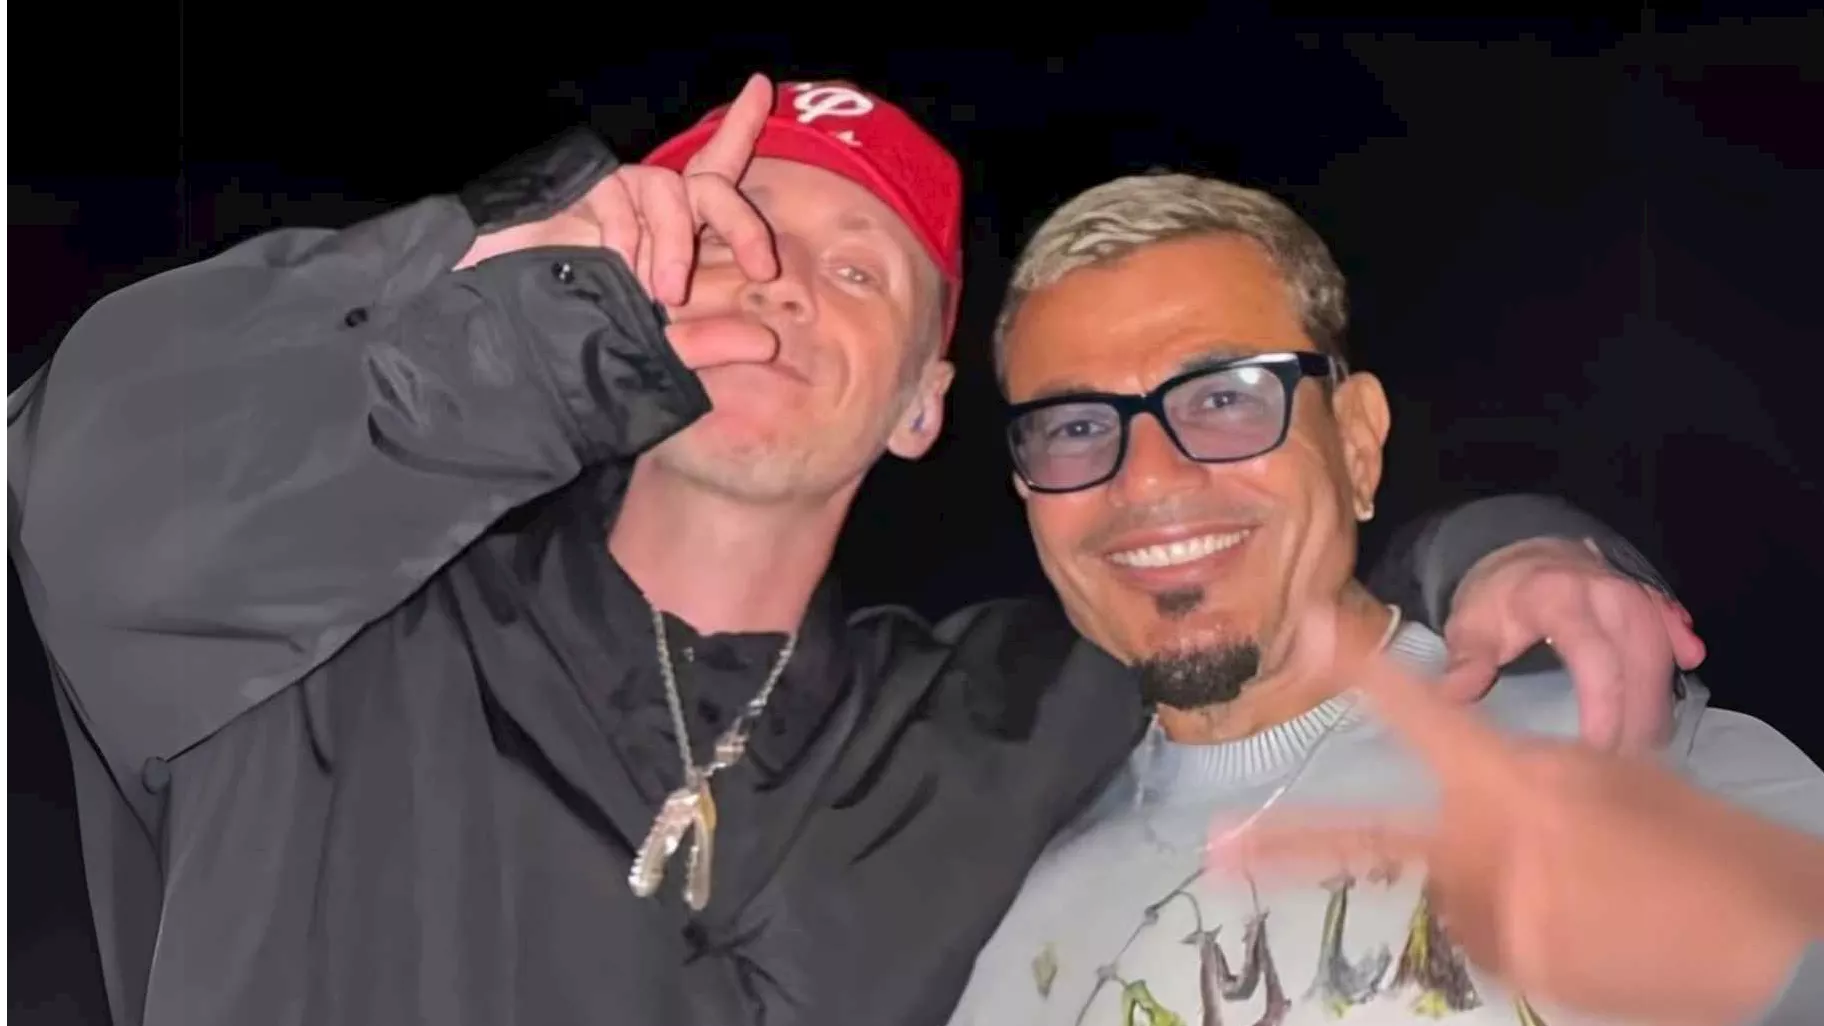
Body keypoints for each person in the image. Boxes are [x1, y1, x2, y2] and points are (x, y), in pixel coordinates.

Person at [0, 75, 1698, 1026]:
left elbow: (1244, 577)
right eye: (731, 232)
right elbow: (87, 466)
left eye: (857, 270)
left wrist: (1502, 550)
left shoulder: (996, 724)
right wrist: (518, 304)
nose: (780, 284)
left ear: (919, 406)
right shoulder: (316, 639)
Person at [943, 171, 1824, 1025]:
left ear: (1357, 444)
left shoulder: (1608, 737)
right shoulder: (1009, 920)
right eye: (1076, 427)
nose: (1146, 478)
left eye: (1224, 398)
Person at [1212, 609, 1824, 1026]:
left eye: (1224, 410)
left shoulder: (1600, 707)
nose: (1164, 480)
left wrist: (1770, 961)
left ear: (1360, 457)